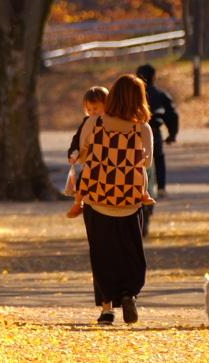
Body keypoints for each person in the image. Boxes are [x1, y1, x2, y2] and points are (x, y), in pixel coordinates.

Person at [75, 74, 154, 325]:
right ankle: (129, 292)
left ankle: (107, 309)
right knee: (130, 252)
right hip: (130, 201)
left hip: (97, 200)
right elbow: (148, 162)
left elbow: (82, 156)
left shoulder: (93, 123)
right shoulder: (142, 128)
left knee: (101, 254)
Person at [136, 64, 179, 199]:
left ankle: (139, 187)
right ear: (154, 78)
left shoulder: (133, 96)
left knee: (136, 160)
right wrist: (172, 134)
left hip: (135, 132)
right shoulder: (161, 95)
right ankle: (161, 188)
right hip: (155, 131)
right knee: (158, 157)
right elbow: (173, 115)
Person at [65, 85, 108, 218]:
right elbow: (77, 138)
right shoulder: (87, 122)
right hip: (91, 160)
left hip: (108, 159)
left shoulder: (111, 121)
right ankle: (78, 203)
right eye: (88, 109)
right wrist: (73, 153)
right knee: (83, 179)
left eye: (96, 108)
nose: (92, 112)